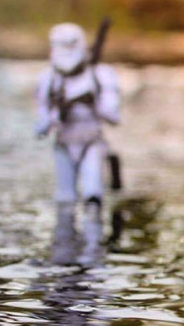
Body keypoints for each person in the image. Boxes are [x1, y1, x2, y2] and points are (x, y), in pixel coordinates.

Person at [35, 22, 120, 267]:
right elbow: (40, 128)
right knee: (65, 201)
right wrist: (56, 114)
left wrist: (94, 102)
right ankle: (63, 260)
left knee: (93, 198)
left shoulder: (101, 75)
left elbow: (114, 117)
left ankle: (92, 257)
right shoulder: (48, 77)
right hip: (63, 144)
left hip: (91, 144)